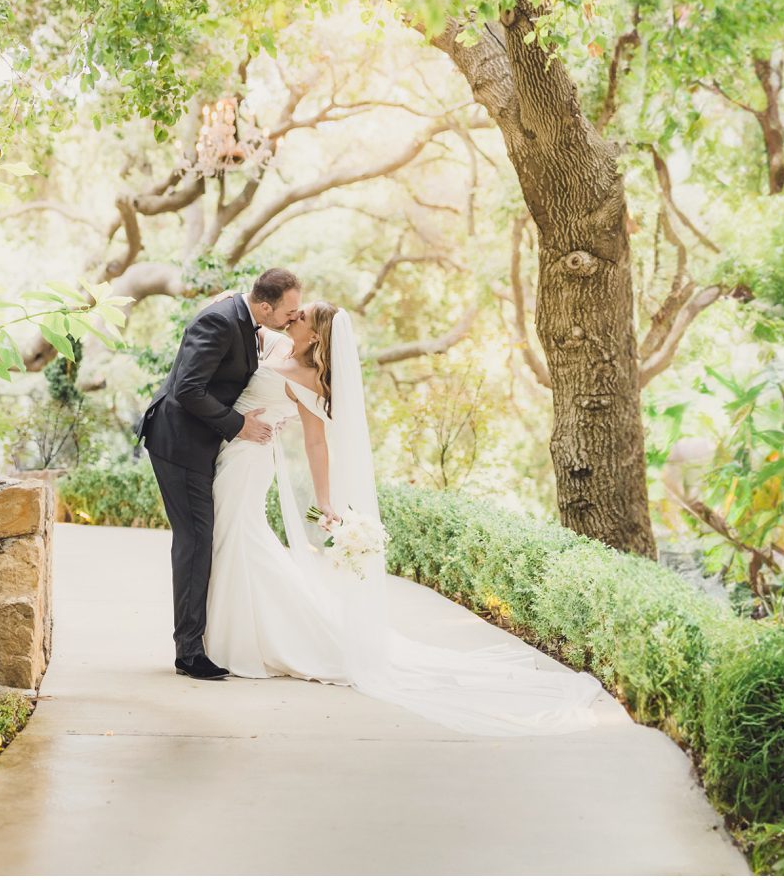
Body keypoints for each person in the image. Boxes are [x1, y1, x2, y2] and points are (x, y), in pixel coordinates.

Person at [204, 301, 607, 735]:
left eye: (301, 317)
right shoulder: (278, 342)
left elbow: (316, 444)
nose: (293, 317)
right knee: (237, 539)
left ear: (317, 336)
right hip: (232, 449)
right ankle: (239, 633)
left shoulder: (308, 382)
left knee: (239, 538)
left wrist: (326, 505)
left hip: (249, 461)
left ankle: (255, 639)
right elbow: (243, 324)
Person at [135, 267, 302, 680]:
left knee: (200, 538)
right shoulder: (220, 319)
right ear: (265, 305)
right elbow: (188, 389)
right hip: (179, 442)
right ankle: (189, 652)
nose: (293, 318)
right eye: (290, 311)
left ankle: (195, 642)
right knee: (195, 539)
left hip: (200, 442)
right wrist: (238, 425)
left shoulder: (247, 320)